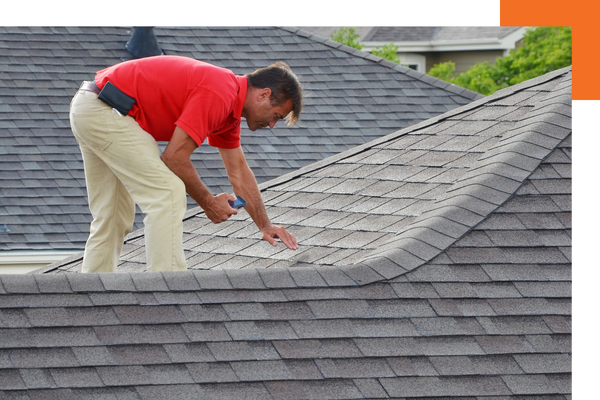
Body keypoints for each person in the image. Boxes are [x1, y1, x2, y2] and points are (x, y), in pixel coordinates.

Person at [69, 55, 302, 273]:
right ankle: (168, 293)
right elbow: (174, 158)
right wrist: (209, 203)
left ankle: (92, 293)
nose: (272, 125)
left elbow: (238, 171)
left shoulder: (229, 111)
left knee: (113, 216)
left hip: (92, 107)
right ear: (263, 95)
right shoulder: (220, 92)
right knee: (168, 193)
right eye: (276, 116)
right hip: (107, 111)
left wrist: (264, 225)